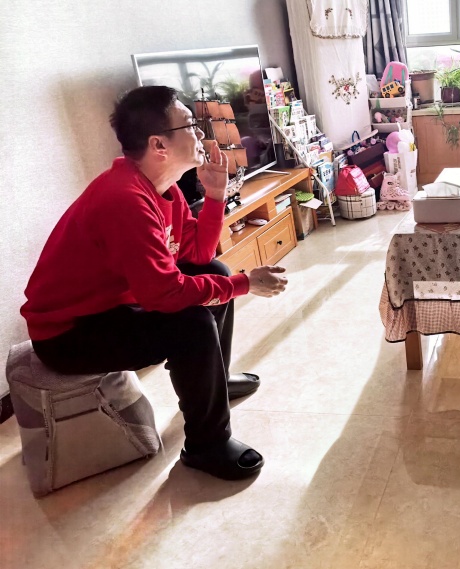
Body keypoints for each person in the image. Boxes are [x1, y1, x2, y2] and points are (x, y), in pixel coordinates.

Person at [20, 86, 288, 480]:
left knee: (215, 272)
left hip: (113, 303)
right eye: (190, 125)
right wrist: (246, 284)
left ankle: (216, 380)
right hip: (68, 333)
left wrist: (215, 195)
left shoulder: (163, 187)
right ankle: (206, 446)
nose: (200, 133)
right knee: (192, 323)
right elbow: (165, 294)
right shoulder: (125, 199)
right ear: (159, 144)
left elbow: (197, 255)